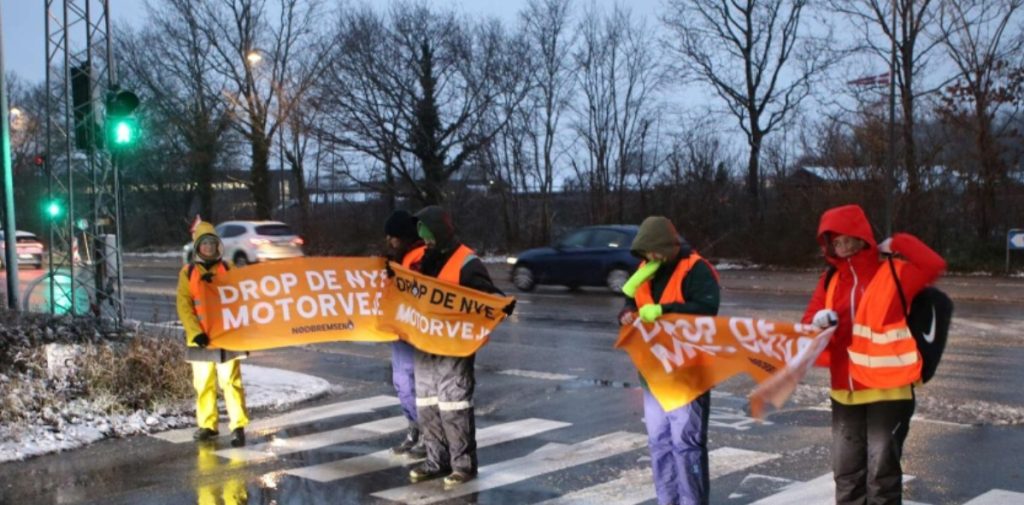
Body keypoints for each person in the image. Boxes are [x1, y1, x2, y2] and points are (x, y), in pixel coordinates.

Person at [802, 204, 946, 505]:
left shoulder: (894, 271)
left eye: (846, 239)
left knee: (882, 478)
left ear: (862, 238)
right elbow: (808, 325)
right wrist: (817, 324)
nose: (841, 247)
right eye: (835, 242)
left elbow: (933, 265)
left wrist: (899, 243)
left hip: (889, 390)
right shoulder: (830, 280)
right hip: (845, 392)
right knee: (846, 475)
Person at [618, 216, 720, 505]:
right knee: (659, 444)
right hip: (653, 373)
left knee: (686, 446)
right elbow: (631, 301)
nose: (652, 258)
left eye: (655, 252)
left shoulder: (696, 269)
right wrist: (627, 314)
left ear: (667, 246)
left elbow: (707, 308)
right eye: (646, 253)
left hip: (688, 374)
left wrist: (664, 310)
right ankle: (668, 500)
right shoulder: (645, 269)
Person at [407, 205, 505, 488]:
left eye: (429, 237)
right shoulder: (424, 260)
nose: (426, 243)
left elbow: (488, 298)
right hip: (424, 345)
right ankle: (436, 461)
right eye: (423, 238)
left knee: (454, 406)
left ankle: (463, 465)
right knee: (427, 405)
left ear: (439, 232)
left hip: (453, 347)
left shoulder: (466, 262)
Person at [177, 220, 249, 447]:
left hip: (226, 335)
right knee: (204, 383)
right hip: (200, 338)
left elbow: (241, 296)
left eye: (211, 243)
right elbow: (184, 305)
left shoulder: (227, 269)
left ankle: (238, 427)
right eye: (204, 243)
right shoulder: (188, 273)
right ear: (198, 247)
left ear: (217, 245)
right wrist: (195, 332)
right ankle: (207, 425)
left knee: (231, 383)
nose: (208, 247)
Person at [384, 209, 427, 458]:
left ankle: (425, 432)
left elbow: (419, 289)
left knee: (413, 383)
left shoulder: (418, 256)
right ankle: (414, 428)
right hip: (400, 330)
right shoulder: (402, 257)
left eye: (393, 237)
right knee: (403, 383)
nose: (390, 241)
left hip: (413, 331)